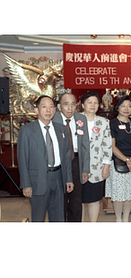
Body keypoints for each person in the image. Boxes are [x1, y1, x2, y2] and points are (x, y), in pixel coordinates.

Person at [17, 95, 74, 222]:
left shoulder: (62, 129)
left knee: (59, 217)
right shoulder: (26, 131)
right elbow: (22, 159)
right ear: (37, 110)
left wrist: (68, 178)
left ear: (55, 110)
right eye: (44, 107)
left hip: (59, 178)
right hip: (38, 181)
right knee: (38, 218)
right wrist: (26, 184)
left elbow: (66, 156)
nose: (48, 110)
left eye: (51, 107)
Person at [52, 93, 90, 222]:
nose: (70, 108)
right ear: (59, 106)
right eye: (66, 104)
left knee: (76, 200)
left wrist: (85, 169)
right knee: (60, 200)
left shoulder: (81, 119)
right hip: (60, 163)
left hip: (76, 161)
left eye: (73, 104)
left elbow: (85, 145)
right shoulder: (53, 119)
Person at [105, 95, 131, 222]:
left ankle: (126, 219)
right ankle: (118, 219)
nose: (126, 109)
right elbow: (112, 146)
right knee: (119, 193)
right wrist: (126, 160)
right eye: (123, 106)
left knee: (130, 192)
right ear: (117, 107)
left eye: (130, 106)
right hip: (118, 162)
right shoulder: (112, 123)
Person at [81, 91, 112, 222]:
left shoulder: (104, 122)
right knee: (79, 200)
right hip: (78, 166)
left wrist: (106, 166)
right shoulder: (75, 120)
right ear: (83, 105)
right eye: (89, 102)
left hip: (97, 166)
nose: (92, 105)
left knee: (94, 199)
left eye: (95, 103)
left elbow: (107, 145)